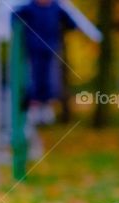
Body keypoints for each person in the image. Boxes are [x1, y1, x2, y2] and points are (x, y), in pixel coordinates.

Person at [13, 0, 78, 158]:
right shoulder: (29, 7)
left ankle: (46, 105)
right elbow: (14, 16)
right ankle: (35, 106)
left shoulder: (56, 7)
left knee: (50, 79)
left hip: (50, 48)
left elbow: (71, 22)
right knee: (34, 79)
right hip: (33, 49)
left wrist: (66, 27)